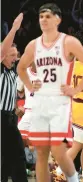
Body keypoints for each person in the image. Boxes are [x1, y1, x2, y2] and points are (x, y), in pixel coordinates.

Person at [17, 3, 83, 182]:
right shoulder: (33, 45)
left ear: (58, 19)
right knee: (41, 153)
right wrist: (30, 86)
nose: (43, 19)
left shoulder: (68, 42)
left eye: (47, 16)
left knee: (58, 150)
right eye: (41, 16)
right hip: (40, 102)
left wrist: (76, 89)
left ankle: (73, 179)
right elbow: (21, 67)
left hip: (60, 103)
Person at [1, 42, 28, 182]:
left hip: (10, 118)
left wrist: (16, 109)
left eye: (16, 55)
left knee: (16, 156)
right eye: (12, 55)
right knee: (5, 159)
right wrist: (14, 28)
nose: (15, 58)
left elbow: (10, 96)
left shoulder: (12, 72)